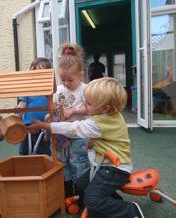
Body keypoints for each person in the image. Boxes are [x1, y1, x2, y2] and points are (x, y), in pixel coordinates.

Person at [27, 77, 144, 218]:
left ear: (105, 108)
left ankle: (131, 211)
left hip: (115, 168)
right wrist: (94, 143)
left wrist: (45, 126)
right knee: (82, 184)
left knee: (92, 199)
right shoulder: (113, 115)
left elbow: (72, 128)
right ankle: (107, 203)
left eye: (88, 104)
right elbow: (111, 137)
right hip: (107, 163)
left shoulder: (97, 123)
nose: (85, 106)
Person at [50, 44, 89, 200]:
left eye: (70, 80)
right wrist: (52, 112)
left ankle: (82, 194)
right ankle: (66, 194)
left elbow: (91, 109)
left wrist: (73, 110)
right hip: (61, 136)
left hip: (79, 136)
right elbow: (52, 107)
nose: (65, 83)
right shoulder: (58, 90)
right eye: (62, 79)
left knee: (79, 164)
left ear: (81, 74)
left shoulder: (85, 90)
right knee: (61, 163)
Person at [16, 57, 52, 156]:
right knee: (25, 151)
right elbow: (22, 105)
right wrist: (16, 118)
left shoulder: (49, 90)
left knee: (44, 153)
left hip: (44, 128)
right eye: (33, 73)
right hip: (28, 127)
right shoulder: (27, 89)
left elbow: (53, 107)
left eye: (40, 74)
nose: (36, 76)